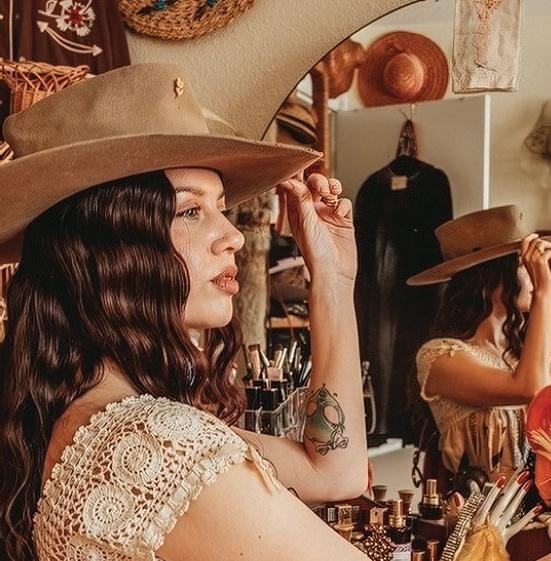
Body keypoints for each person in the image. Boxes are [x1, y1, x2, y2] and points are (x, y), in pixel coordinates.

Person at [0, 64, 368, 561]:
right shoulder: (162, 447)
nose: (233, 237)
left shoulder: (86, 420)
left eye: (222, 208)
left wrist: (335, 279)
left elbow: (335, 473)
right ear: (109, 249)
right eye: (191, 211)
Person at [408, 206, 551, 485]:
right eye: (522, 265)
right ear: (489, 280)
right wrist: (543, 295)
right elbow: (533, 390)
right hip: (480, 510)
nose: (535, 275)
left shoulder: (520, 352)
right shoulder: (439, 356)